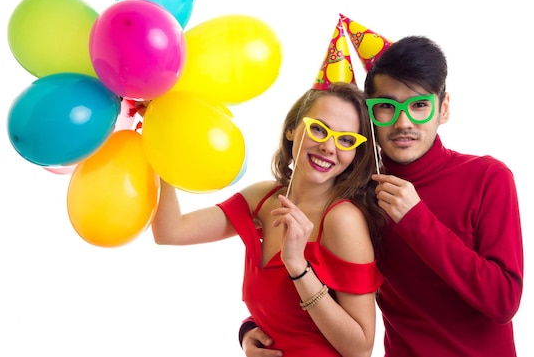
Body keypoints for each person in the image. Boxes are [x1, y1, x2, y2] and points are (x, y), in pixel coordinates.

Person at [240, 33, 524, 357]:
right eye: (387, 107)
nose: (404, 122)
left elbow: (504, 301)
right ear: (368, 116)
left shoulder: (488, 178)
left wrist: (417, 220)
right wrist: (255, 327)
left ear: (443, 109)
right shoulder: (356, 196)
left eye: (419, 105)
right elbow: (303, 269)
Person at [152, 63, 386, 356]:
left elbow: (360, 349)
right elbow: (170, 231)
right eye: (318, 129)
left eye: (347, 140)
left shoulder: (342, 220)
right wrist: (160, 147)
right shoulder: (263, 198)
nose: (329, 146)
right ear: (291, 129)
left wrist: (297, 265)